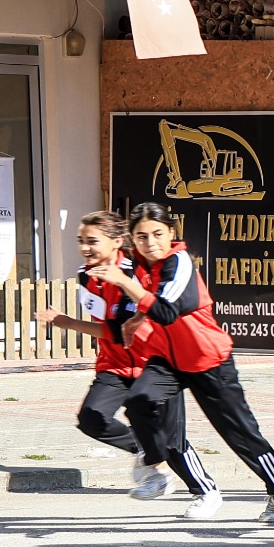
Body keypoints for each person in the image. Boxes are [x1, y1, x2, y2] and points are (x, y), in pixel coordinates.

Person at [108, 204, 274, 523]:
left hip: (206, 358)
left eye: (157, 234)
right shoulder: (135, 267)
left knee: (239, 432)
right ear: (132, 238)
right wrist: (127, 315)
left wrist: (130, 291)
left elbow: (166, 312)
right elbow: (129, 306)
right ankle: (156, 471)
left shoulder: (179, 262)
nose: (150, 242)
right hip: (165, 359)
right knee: (140, 401)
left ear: (171, 232)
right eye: (141, 236)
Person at [35, 210, 172, 497]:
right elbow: (106, 325)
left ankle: (197, 489)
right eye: (80, 240)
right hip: (114, 364)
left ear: (116, 241)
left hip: (151, 365)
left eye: (92, 241)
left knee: (172, 440)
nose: (85, 247)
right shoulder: (86, 277)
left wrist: (67, 323)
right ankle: (146, 452)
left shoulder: (134, 275)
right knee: (91, 418)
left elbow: (120, 329)